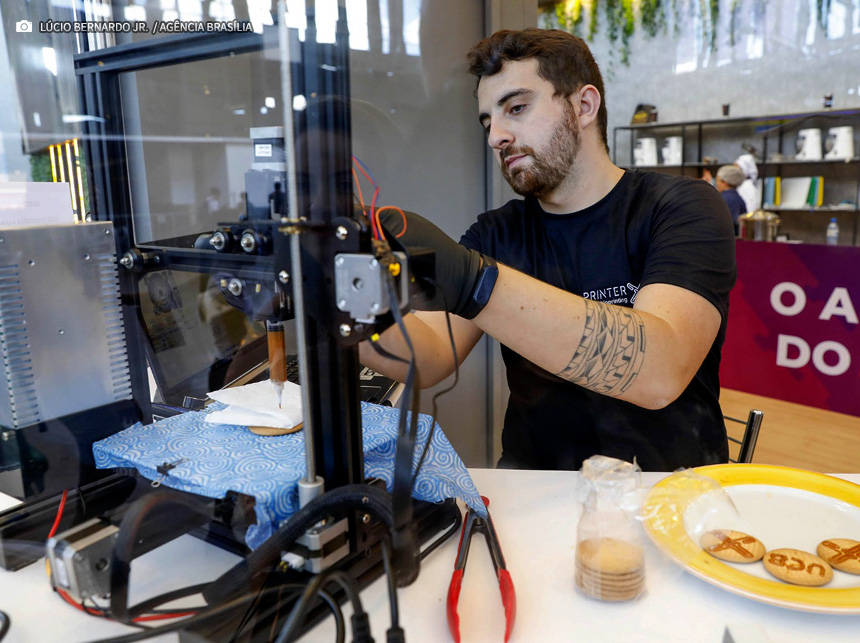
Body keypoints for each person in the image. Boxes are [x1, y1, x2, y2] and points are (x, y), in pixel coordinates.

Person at [360, 28, 736, 471]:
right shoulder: (497, 234)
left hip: (667, 492)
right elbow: (429, 356)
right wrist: (348, 301)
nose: (495, 137)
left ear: (583, 105)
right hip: (533, 486)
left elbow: (659, 371)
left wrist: (475, 282)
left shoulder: (680, 207)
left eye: (516, 108)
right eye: (488, 122)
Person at [714, 164, 748, 234]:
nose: (716, 183)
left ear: (724, 182)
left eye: (717, 180)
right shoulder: (739, 199)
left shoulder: (721, 199)